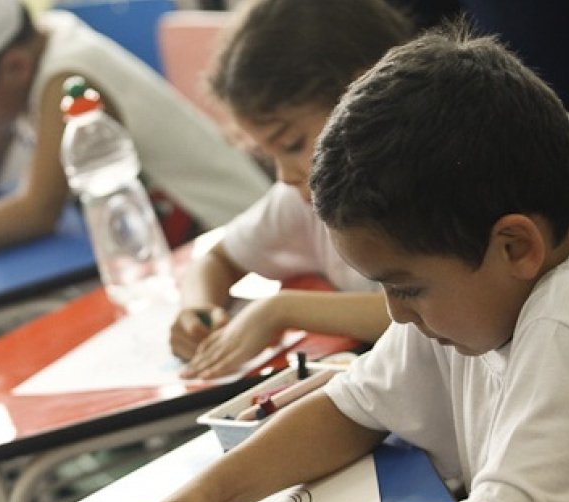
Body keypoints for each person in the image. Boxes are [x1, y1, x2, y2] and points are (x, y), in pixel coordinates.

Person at [136, 25, 569, 502]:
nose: (396, 314)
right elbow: (351, 409)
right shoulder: (470, 309)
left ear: (515, 248)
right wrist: (207, 493)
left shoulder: (567, 317)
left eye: (406, 288)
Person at [0, 0, 271, 289]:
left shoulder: (67, 79)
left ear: (13, 67)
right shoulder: (36, 46)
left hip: (244, 254)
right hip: (186, 258)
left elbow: (36, 211)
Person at [171, 0, 406, 379]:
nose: (284, 175)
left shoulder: (435, 181)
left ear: (366, 91)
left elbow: (427, 313)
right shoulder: (305, 198)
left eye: (293, 143)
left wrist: (282, 309)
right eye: (268, 154)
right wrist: (197, 310)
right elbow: (217, 259)